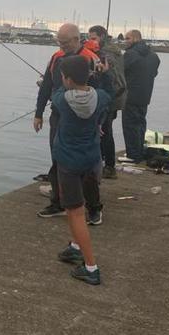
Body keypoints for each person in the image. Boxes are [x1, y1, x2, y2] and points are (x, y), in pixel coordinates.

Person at [34, 24, 107, 225]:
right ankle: (57, 202)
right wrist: (38, 113)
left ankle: (94, 207)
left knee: (87, 165)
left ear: (77, 39)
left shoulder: (91, 58)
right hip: (60, 116)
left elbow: (103, 94)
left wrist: (100, 122)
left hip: (86, 119)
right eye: (59, 42)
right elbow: (47, 85)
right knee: (58, 159)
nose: (62, 46)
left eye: (65, 42)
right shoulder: (56, 58)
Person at [51, 55, 111, 285]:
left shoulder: (62, 100)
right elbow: (107, 92)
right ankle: (75, 247)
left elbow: (56, 92)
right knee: (80, 207)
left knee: (75, 212)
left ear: (66, 78)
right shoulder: (102, 97)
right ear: (89, 75)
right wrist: (102, 75)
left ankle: (91, 267)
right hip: (91, 158)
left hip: (68, 162)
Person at [88, 25, 127, 179]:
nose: (91, 41)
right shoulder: (114, 50)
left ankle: (109, 167)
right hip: (117, 94)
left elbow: (106, 74)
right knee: (105, 130)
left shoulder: (107, 53)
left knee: (105, 130)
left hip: (112, 95)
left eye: (94, 38)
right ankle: (104, 163)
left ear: (102, 36)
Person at [120, 30, 160, 163]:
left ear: (136, 38)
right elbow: (154, 73)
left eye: (128, 38)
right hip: (145, 95)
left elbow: (120, 72)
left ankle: (132, 154)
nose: (125, 41)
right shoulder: (154, 56)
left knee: (130, 125)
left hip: (130, 95)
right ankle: (139, 151)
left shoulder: (130, 54)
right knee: (140, 123)